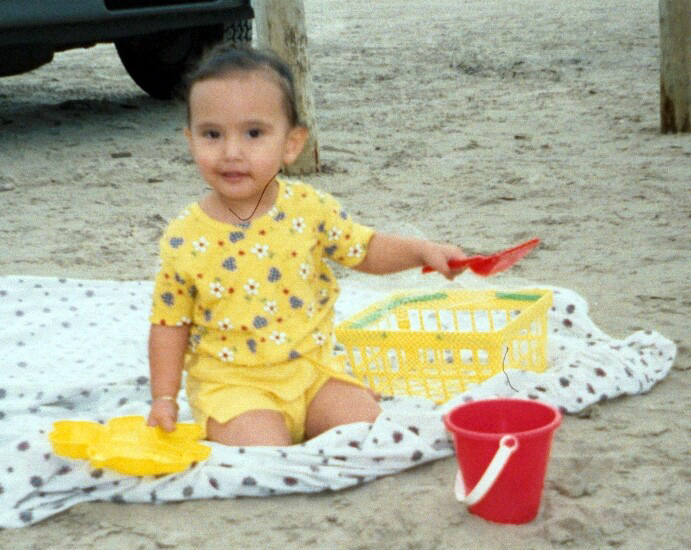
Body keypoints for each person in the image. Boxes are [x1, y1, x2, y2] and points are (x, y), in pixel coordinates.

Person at [146, 46, 466, 446]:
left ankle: (327, 414)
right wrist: (164, 398)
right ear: (190, 140)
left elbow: (363, 249)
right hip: (233, 386)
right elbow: (169, 325)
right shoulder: (183, 237)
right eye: (212, 134)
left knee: (368, 429)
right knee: (263, 450)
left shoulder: (309, 208)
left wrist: (421, 251)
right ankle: (256, 430)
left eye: (254, 133)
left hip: (313, 371)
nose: (231, 152)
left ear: (291, 144)